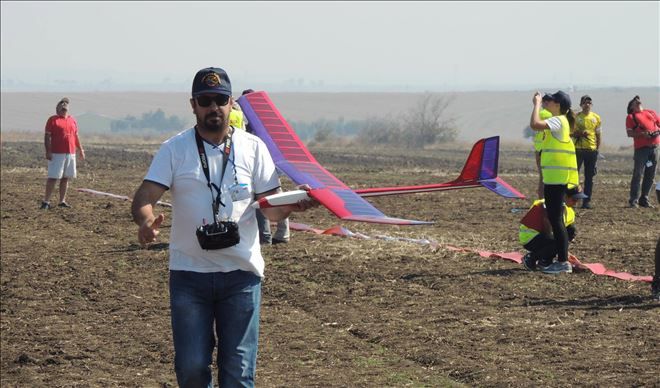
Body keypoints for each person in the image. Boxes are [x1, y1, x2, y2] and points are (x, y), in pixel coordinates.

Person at [131, 67, 317, 387]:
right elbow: (144, 198)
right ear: (193, 105)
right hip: (189, 276)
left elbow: (272, 213)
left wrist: (297, 204)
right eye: (205, 100)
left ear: (231, 103)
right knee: (191, 370)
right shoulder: (174, 149)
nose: (213, 107)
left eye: (220, 99)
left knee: (238, 374)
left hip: (241, 277)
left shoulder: (253, 148)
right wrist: (147, 222)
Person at [529, 90, 579, 274]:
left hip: (556, 180)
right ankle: (559, 259)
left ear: (558, 105)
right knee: (556, 219)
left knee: (556, 220)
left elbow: (535, 124)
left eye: (549, 101)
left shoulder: (559, 120)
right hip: (555, 179)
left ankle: (563, 262)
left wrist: (536, 104)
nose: (546, 103)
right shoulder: (562, 121)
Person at [520, 186, 586, 272]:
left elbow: (567, 232)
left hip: (543, 236)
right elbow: (548, 229)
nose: (576, 203)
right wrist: (562, 250)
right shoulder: (549, 205)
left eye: (578, 200)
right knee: (559, 241)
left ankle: (545, 259)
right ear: (564, 196)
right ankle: (532, 258)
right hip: (531, 237)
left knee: (570, 231)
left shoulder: (568, 210)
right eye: (574, 199)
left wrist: (564, 250)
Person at [41, 97, 85, 209]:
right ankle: (46, 201)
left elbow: (76, 136)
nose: (64, 105)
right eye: (62, 104)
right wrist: (48, 151)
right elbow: (47, 137)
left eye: (66, 104)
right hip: (57, 153)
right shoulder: (53, 120)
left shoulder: (72, 120)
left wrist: (80, 149)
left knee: (66, 177)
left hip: (70, 153)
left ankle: (62, 201)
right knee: (53, 177)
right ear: (57, 108)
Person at [625, 95, 659, 208]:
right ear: (631, 107)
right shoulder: (631, 117)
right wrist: (642, 134)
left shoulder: (651, 112)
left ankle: (644, 199)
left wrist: (656, 132)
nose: (638, 102)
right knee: (638, 174)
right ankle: (633, 200)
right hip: (641, 150)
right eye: (635, 101)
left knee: (651, 174)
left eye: (638, 100)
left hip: (654, 148)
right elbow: (629, 133)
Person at [571, 95, 602, 209]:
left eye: (589, 102)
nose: (587, 104)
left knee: (589, 177)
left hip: (591, 150)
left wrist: (597, 150)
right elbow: (569, 133)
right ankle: (572, 199)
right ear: (581, 104)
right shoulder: (575, 117)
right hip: (578, 150)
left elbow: (598, 135)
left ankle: (586, 201)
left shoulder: (596, 118)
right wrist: (579, 134)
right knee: (574, 176)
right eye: (585, 102)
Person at [530, 94, 554, 198]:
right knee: (548, 177)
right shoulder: (549, 114)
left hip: (538, 149)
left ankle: (541, 199)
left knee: (542, 177)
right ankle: (544, 199)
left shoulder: (537, 113)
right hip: (547, 149)